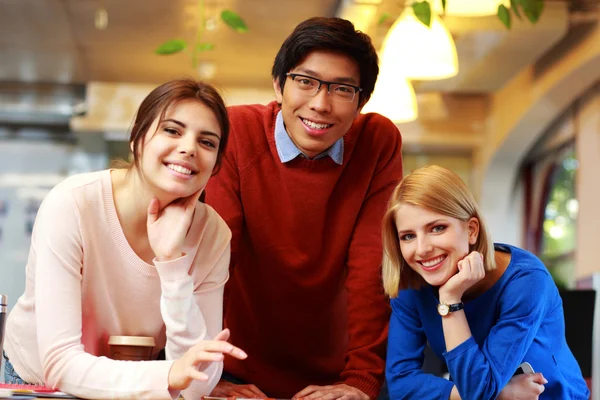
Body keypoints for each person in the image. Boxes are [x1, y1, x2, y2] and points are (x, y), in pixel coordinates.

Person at [3, 79, 248, 399]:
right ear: (137, 138)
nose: (189, 148)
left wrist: (173, 264)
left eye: (207, 142)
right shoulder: (73, 204)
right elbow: (60, 362)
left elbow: (196, 382)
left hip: (134, 376)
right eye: (172, 130)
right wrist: (169, 374)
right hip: (39, 380)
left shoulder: (212, 234)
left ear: (215, 165)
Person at [205, 16, 403, 400]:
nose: (320, 104)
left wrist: (360, 380)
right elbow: (215, 260)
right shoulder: (237, 130)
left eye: (342, 89)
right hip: (234, 364)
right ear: (279, 84)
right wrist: (204, 374)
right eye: (306, 81)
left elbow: (371, 266)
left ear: (361, 101)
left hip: (337, 374)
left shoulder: (377, 142)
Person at [382, 165, 590, 399]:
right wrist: (499, 394)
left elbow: (478, 391)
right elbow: (400, 383)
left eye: (437, 228)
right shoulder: (413, 285)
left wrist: (450, 300)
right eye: (408, 236)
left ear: (471, 230)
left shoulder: (526, 281)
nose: (422, 249)